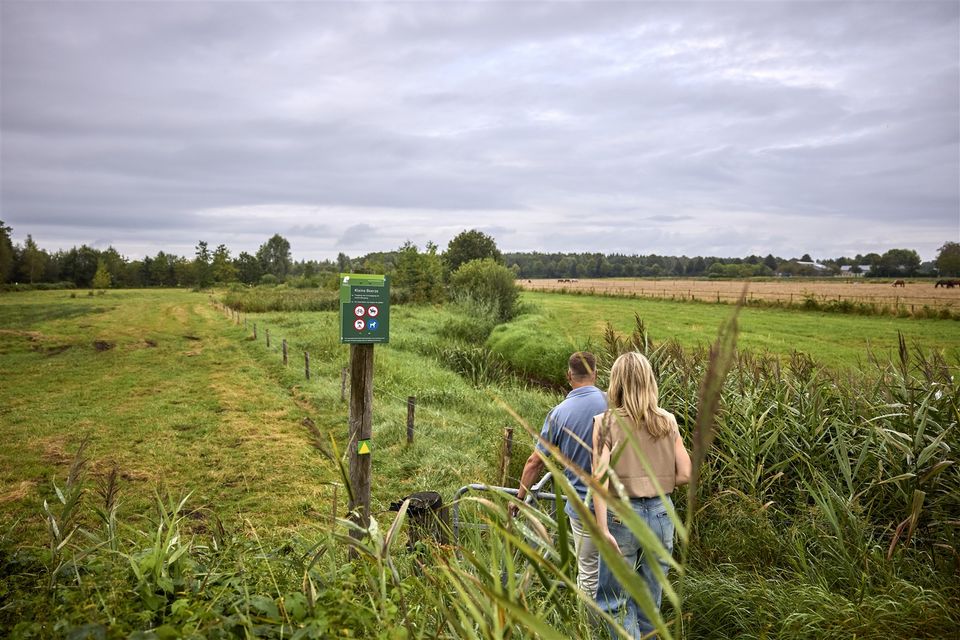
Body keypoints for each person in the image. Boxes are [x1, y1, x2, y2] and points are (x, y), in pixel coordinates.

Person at [592, 352, 691, 639]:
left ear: (616, 383)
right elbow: (685, 474)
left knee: (614, 602)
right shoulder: (667, 421)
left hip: (621, 516)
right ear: (649, 382)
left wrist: (601, 527)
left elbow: (598, 478)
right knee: (650, 604)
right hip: (662, 515)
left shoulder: (606, 422)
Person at [512, 351, 607, 597]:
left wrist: (520, 497)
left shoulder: (559, 414)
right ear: (595, 373)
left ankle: (590, 632)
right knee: (619, 572)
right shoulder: (613, 404)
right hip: (618, 503)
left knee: (588, 574)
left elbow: (535, 461)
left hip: (583, 508)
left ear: (568, 375)